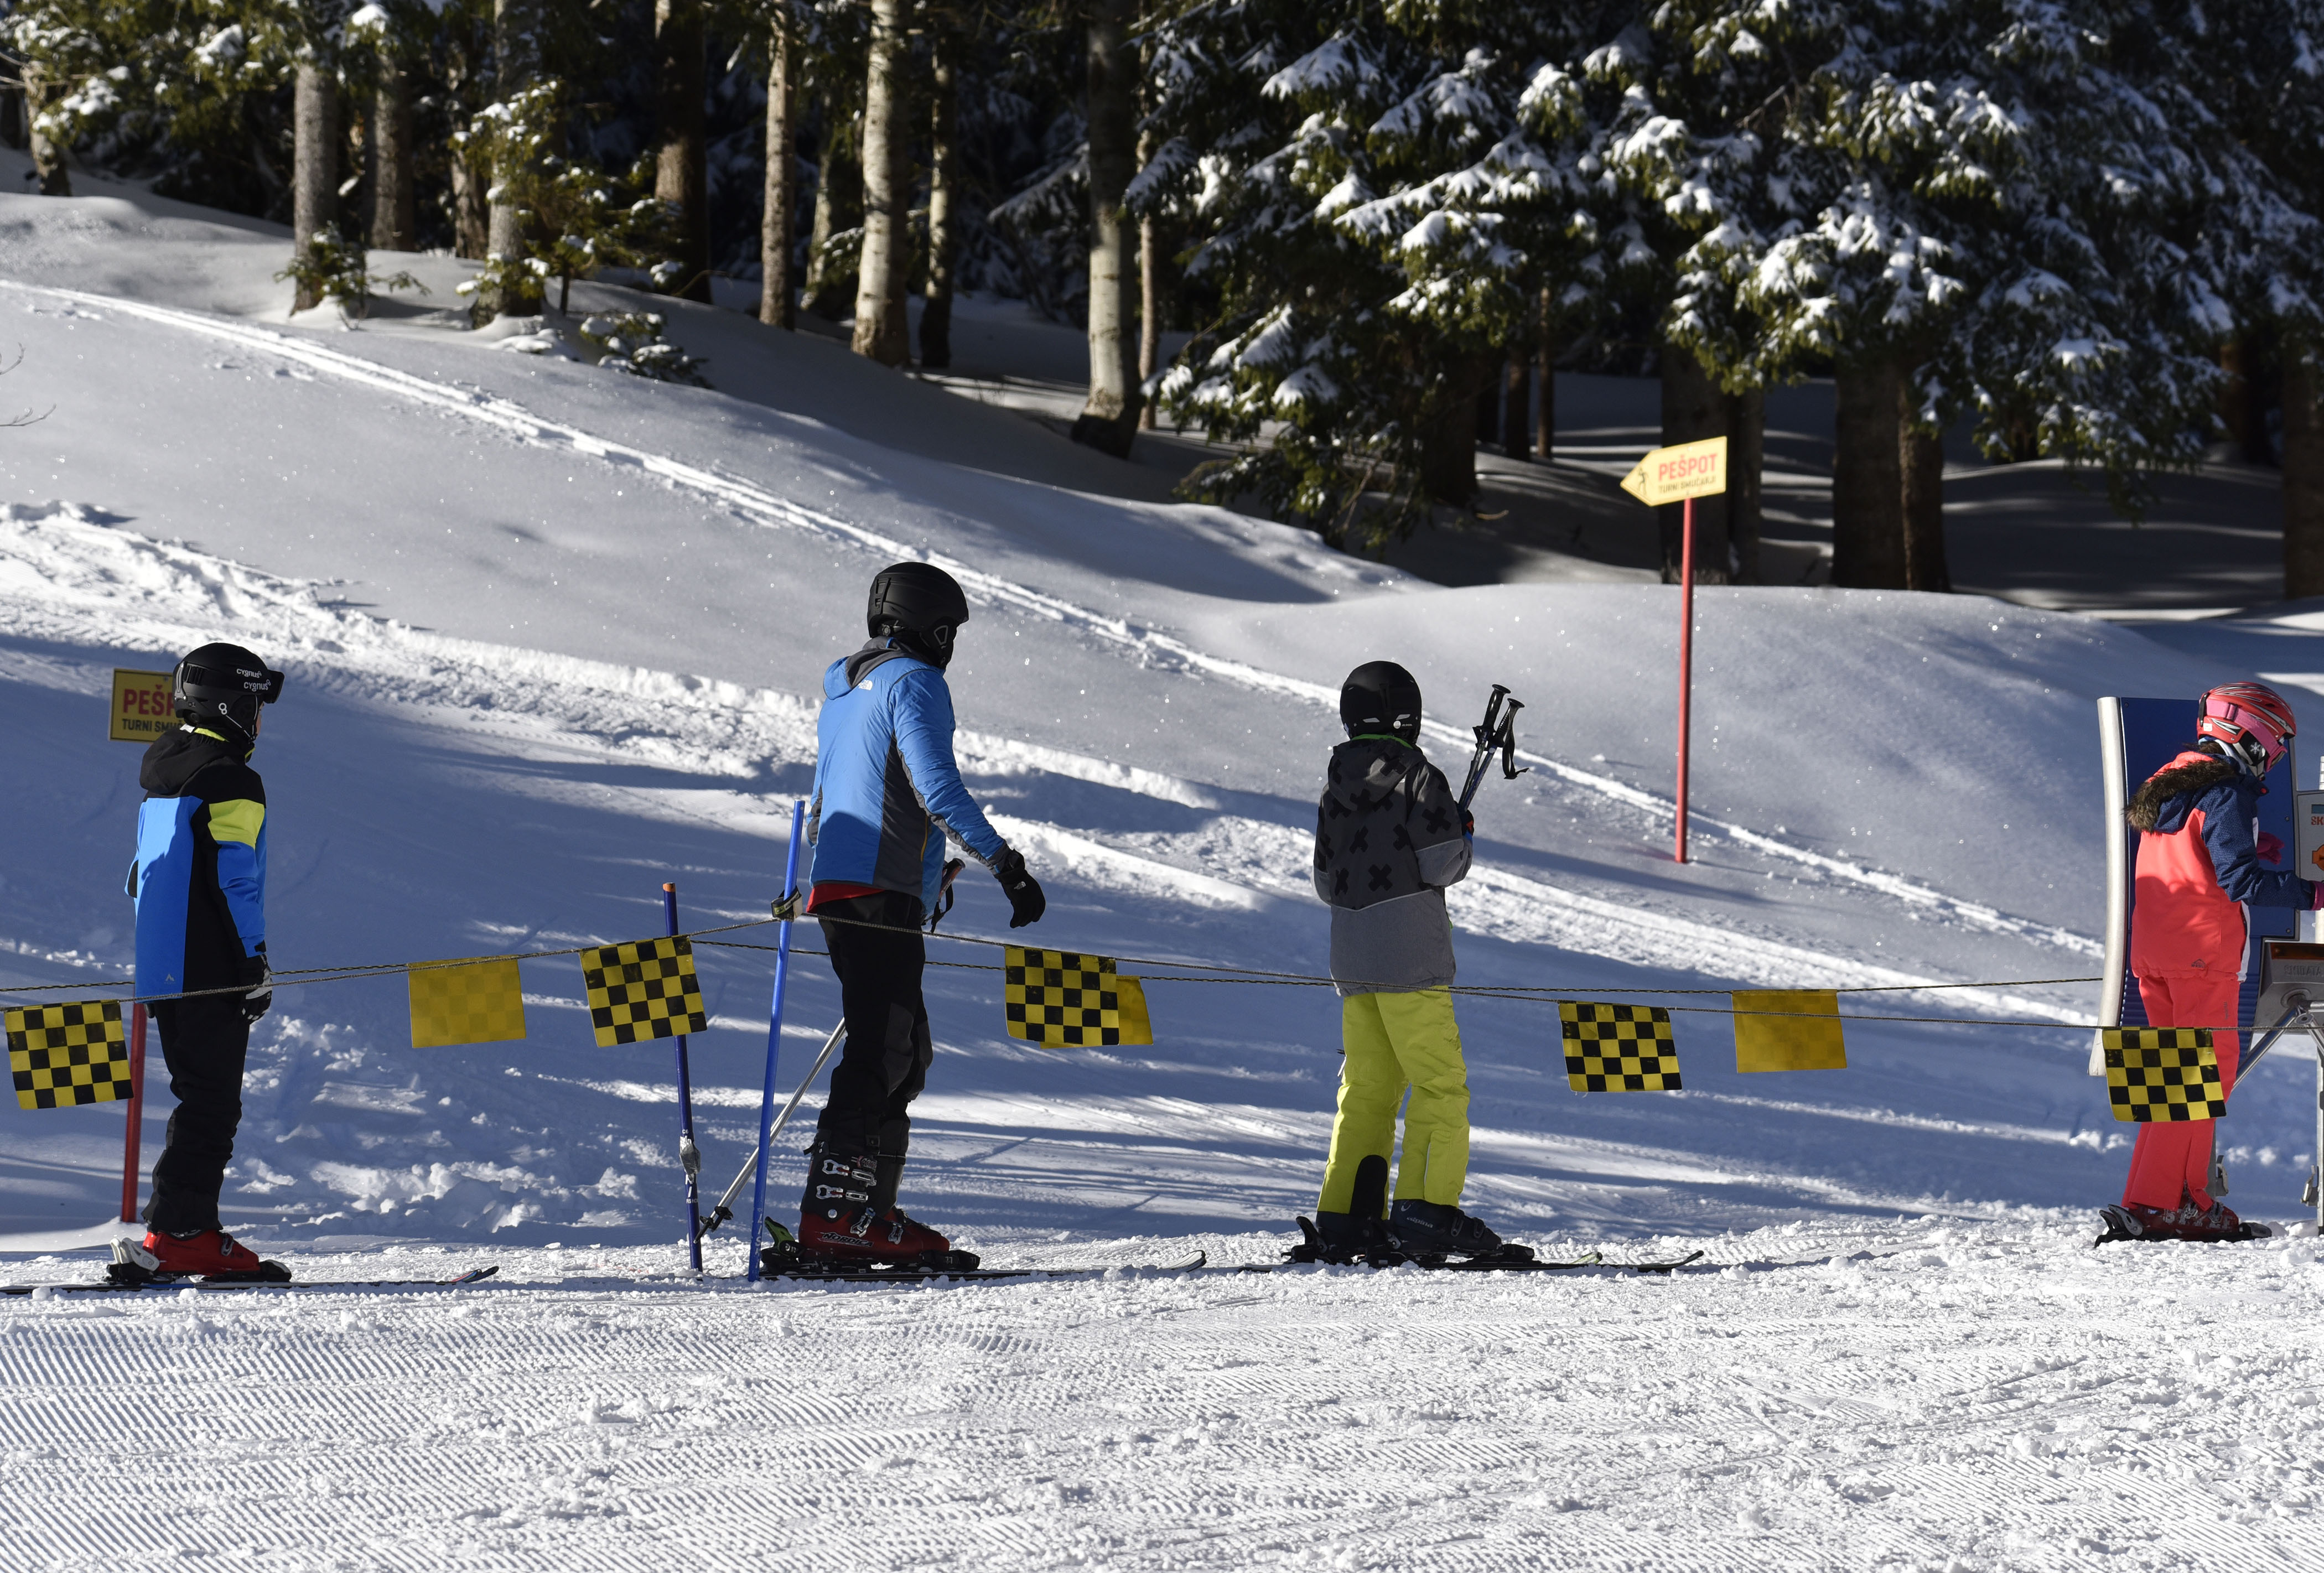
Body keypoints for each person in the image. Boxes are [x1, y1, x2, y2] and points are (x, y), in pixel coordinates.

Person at [797, 562, 1046, 1265]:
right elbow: (935, 788)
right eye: (949, 630)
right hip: (878, 886)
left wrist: (925, 878)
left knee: (901, 1050)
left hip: (846, 883)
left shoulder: (847, 690)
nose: (951, 645)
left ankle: (864, 1209)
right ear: (928, 628)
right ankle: (839, 1214)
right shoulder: (915, 681)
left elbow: (828, 803)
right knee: (883, 1048)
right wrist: (1007, 864)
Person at [1306, 661, 1522, 1261]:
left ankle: (1347, 1214)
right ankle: (1426, 1209)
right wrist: (1463, 832)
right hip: (1409, 957)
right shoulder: (1418, 774)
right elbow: (1442, 863)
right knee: (1439, 1084)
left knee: (1368, 1086)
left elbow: (1324, 882)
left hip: (1352, 958)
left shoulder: (1334, 786)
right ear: (1408, 715)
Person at [2110, 681, 2322, 1242]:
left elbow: (2191, 854)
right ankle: (2161, 1202)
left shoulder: (2170, 779)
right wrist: (2312, 893)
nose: (2274, 756)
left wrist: (2247, 847)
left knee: (2170, 1081)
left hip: (2155, 953)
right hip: (2204, 957)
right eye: (2274, 743)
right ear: (2248, 735)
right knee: (2201, 1081)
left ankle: (2172, 1198)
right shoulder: (2226, 790)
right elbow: (2241, 882)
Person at [116, 643, 286, 1281]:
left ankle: (177, 1227)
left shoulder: (165, 772)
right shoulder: (231, 779)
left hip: (164, 964)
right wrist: (252, 961)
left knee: (200, 1098)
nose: (259, 721)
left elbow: (139, 875)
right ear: (232, 705)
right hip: (210, 963)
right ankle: (185, 1233)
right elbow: (234, 878)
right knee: (213, 1103)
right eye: (255, 705)